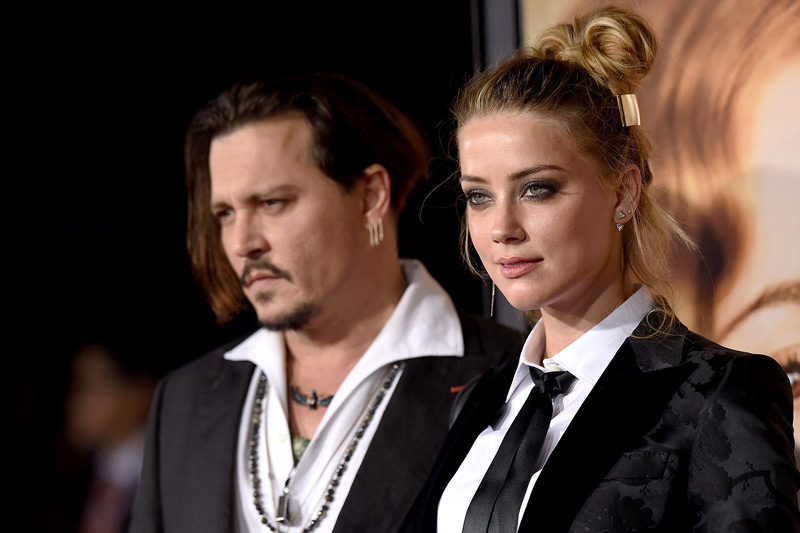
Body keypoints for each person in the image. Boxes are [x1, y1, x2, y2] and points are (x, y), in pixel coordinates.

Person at [409, 6, 799, 532]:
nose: (502, 227)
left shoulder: (721, 393)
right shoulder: (482, 397)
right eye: (479, 196)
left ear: (624, 191)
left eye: (537, 189)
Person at [129, 73, 522, 533]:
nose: (241, 243)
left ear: (370, 196)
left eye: (272, 202)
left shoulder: (514, 378)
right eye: (226, 213)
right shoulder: (184, 399)